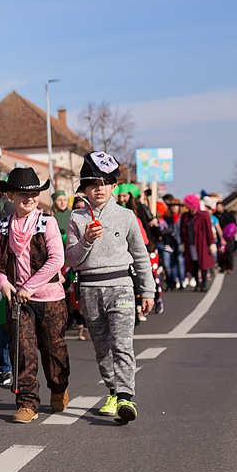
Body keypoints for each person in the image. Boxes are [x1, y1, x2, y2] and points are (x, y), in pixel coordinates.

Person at [65, 152, 153, 424]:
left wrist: (147, 290)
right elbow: (71, 258)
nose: (99, 188)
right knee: (102, 347)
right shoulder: (77, 219)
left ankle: (126, 396)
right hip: (90, 289)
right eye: (92, 184)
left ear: (114, 186)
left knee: (123, 344)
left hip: (122, 287)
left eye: (105, 182)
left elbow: (141, 255)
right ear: (84, 190)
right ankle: (113, 391)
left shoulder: (126, 217)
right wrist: (87, 240)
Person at [0, 168, 70, 423]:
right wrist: (3, 282)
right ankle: (27, 403)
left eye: (34, 193)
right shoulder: (4, 226)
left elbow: (56, 260)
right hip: (19, 301)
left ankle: (58, 388)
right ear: (11, 196)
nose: (29, 198)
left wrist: (30, 287)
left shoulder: (47, 223)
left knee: (54, 349)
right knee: (23, 351)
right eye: (23, 194)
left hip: (49, 298)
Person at [179, 194, 215, 292]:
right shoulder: (185, 217)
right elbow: (182, 231)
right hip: (190, 244)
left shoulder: (204, 215)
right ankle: (197, 283)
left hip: (202, 244)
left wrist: (211, 243)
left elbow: (208, 230)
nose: (192, 209)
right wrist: (182, 243)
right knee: (193, 264)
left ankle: (203, 283)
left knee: (203, 264)